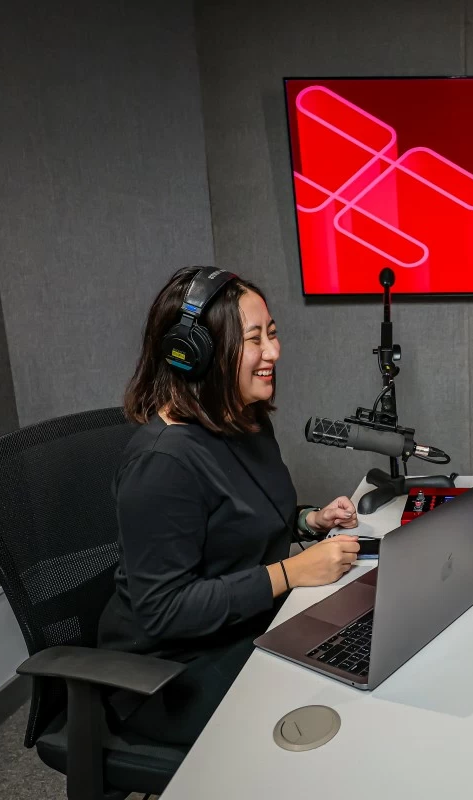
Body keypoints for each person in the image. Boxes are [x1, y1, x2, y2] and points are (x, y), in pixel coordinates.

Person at [96, 266, 362, 745]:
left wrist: (309, 519)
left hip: (247, 626)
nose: (273, 353)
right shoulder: (162, 461)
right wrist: (292, 572)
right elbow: (166, 610)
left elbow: (238, 519)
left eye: (273, 334)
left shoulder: (246, 420)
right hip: (169, 673)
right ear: (196, 354)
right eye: (254, 340)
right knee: (329, 721)